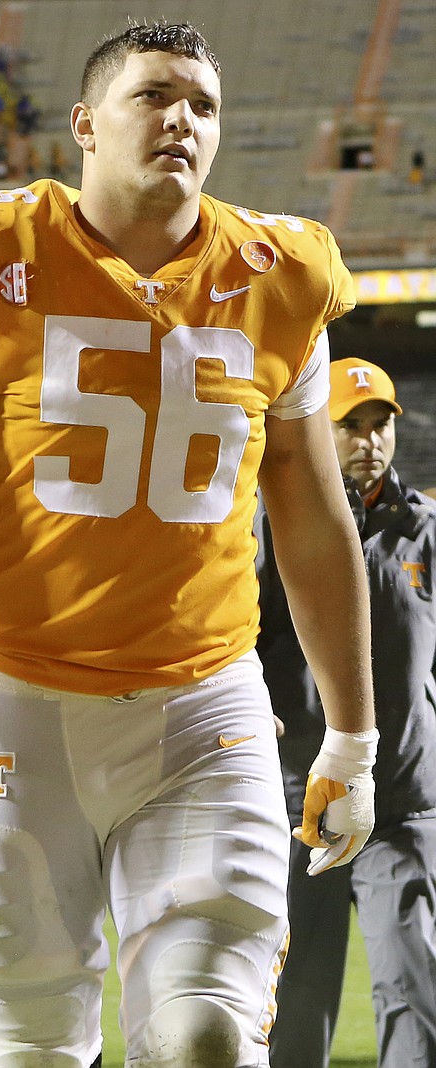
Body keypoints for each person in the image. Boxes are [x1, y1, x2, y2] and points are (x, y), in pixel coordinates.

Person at [0, 22, 378, 1068]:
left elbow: (315, 523)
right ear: (85, 126)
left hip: (202, 702)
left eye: (203, 105)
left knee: (203, 1035)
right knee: (30, 1049)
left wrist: (351, 740)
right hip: (17, 702)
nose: (181, 118)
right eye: (154, 95)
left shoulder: (280, 278)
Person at [256, 358, 436, 1068]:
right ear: (317, 430)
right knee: (296, 1002)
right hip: (308, 802)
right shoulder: (273, 529)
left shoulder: (423, 529)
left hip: (403, 801)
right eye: (350, 425)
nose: (369, 439)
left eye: (380, 424)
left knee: (416, 991)